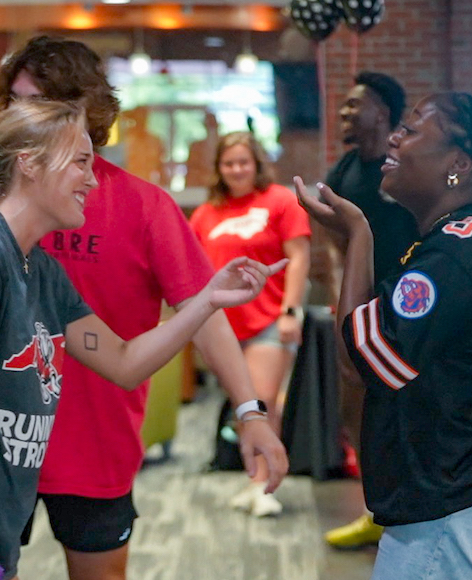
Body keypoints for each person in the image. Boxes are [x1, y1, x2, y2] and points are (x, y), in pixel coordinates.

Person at [0, 100, 284, 580]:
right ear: (30, 164)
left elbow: (124, 362)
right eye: (80, 162)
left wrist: (208, 300)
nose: (92, 179)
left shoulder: (38, 267)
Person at [297, 91, 472, 579]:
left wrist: (356, 234)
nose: (394, 137)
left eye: (410, 130)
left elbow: (367, 358)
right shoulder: (471, 236)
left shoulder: (457, 250)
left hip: (457, 510)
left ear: (458, 164)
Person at [189, 132, 311, 517]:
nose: (237, 170)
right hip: (223, 327)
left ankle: (265, 484)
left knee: (259, 400)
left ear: (257, 164)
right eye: (229, 163)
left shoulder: (280, 201)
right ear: (219, 170)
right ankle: (254, 478)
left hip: (271, 319)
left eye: (244, 162)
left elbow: (299, 257)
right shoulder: (206, 213)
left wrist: (291, 311)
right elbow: (192, 271)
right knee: (245, 405)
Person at [321, 71, 417, 550]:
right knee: (355, 410)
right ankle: (375, 509)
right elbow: (336, 242)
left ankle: (407, 512)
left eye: (353, 105)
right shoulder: (344, 170)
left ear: (381, 111)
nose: (344, 113)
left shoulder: (403, 166)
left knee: (403, 410)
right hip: (361, 308)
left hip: (410, 310)